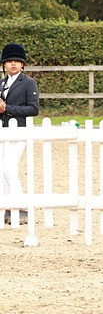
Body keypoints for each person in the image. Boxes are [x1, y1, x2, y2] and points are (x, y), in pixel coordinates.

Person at [0, 42, 39, 225]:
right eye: (9, 61)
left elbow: (33, 109)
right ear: (4, 64)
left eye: (17, 61)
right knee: (2, 170)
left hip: (20, 130)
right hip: (3, 130)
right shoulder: (2, 83)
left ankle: (22, 207)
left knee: (9, 168)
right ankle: (9, 205)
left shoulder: (28, 83)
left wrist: (7, 108)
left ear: (22, 64)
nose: (13, 64)